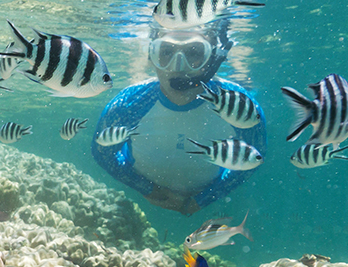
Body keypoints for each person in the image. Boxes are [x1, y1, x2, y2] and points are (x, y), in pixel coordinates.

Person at [91, 24, 265, 215]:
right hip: (143, 204)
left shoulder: (241, 107)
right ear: (152, 58)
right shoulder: (129, 104)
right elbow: (102, 152)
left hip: (209, 213)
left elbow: (255, 157)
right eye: (165, 52)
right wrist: (147, 189)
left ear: (212, 60)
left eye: (194, 52)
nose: (178, 66)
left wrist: (204, 199)